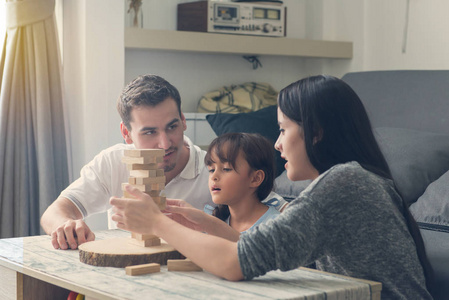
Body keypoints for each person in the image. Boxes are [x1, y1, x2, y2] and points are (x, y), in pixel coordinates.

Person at [110, 75, 433, 299]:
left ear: (316, 133)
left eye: (283, 130)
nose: (278, 144)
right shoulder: (356, 180)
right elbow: (271, 252)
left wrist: (156, 222)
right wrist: (206, 222)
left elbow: (236, 263)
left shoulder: (345, 184)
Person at [41, 74, 287, 251]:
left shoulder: (214, 171)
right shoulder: (114, 161)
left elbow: (279, 215)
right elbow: (55, 211)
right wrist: (67, 225)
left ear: (183, 120)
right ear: (126, 133)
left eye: (172, 127)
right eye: (149, 132)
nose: (165, 143)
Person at [205, 132, 280, 233]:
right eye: (211, 170)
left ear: (256, 178)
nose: (214, 177)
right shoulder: (213, 223)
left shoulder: (275, 227)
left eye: (226, 169)